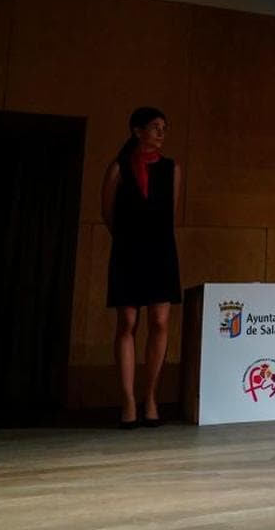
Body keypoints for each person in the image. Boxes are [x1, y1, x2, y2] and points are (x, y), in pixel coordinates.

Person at [100, 107, 181, 429]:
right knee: (127, 321)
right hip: (128, 249)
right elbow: (106, 211)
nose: (161, 133)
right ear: (137, 131)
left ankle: (150, 397)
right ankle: (128, 401)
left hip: (161, 249)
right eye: (155, 127)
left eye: (164, 127)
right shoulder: (118, 167)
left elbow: (171, 213)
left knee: (160, 321)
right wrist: (126, 239)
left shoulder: (172, 168)